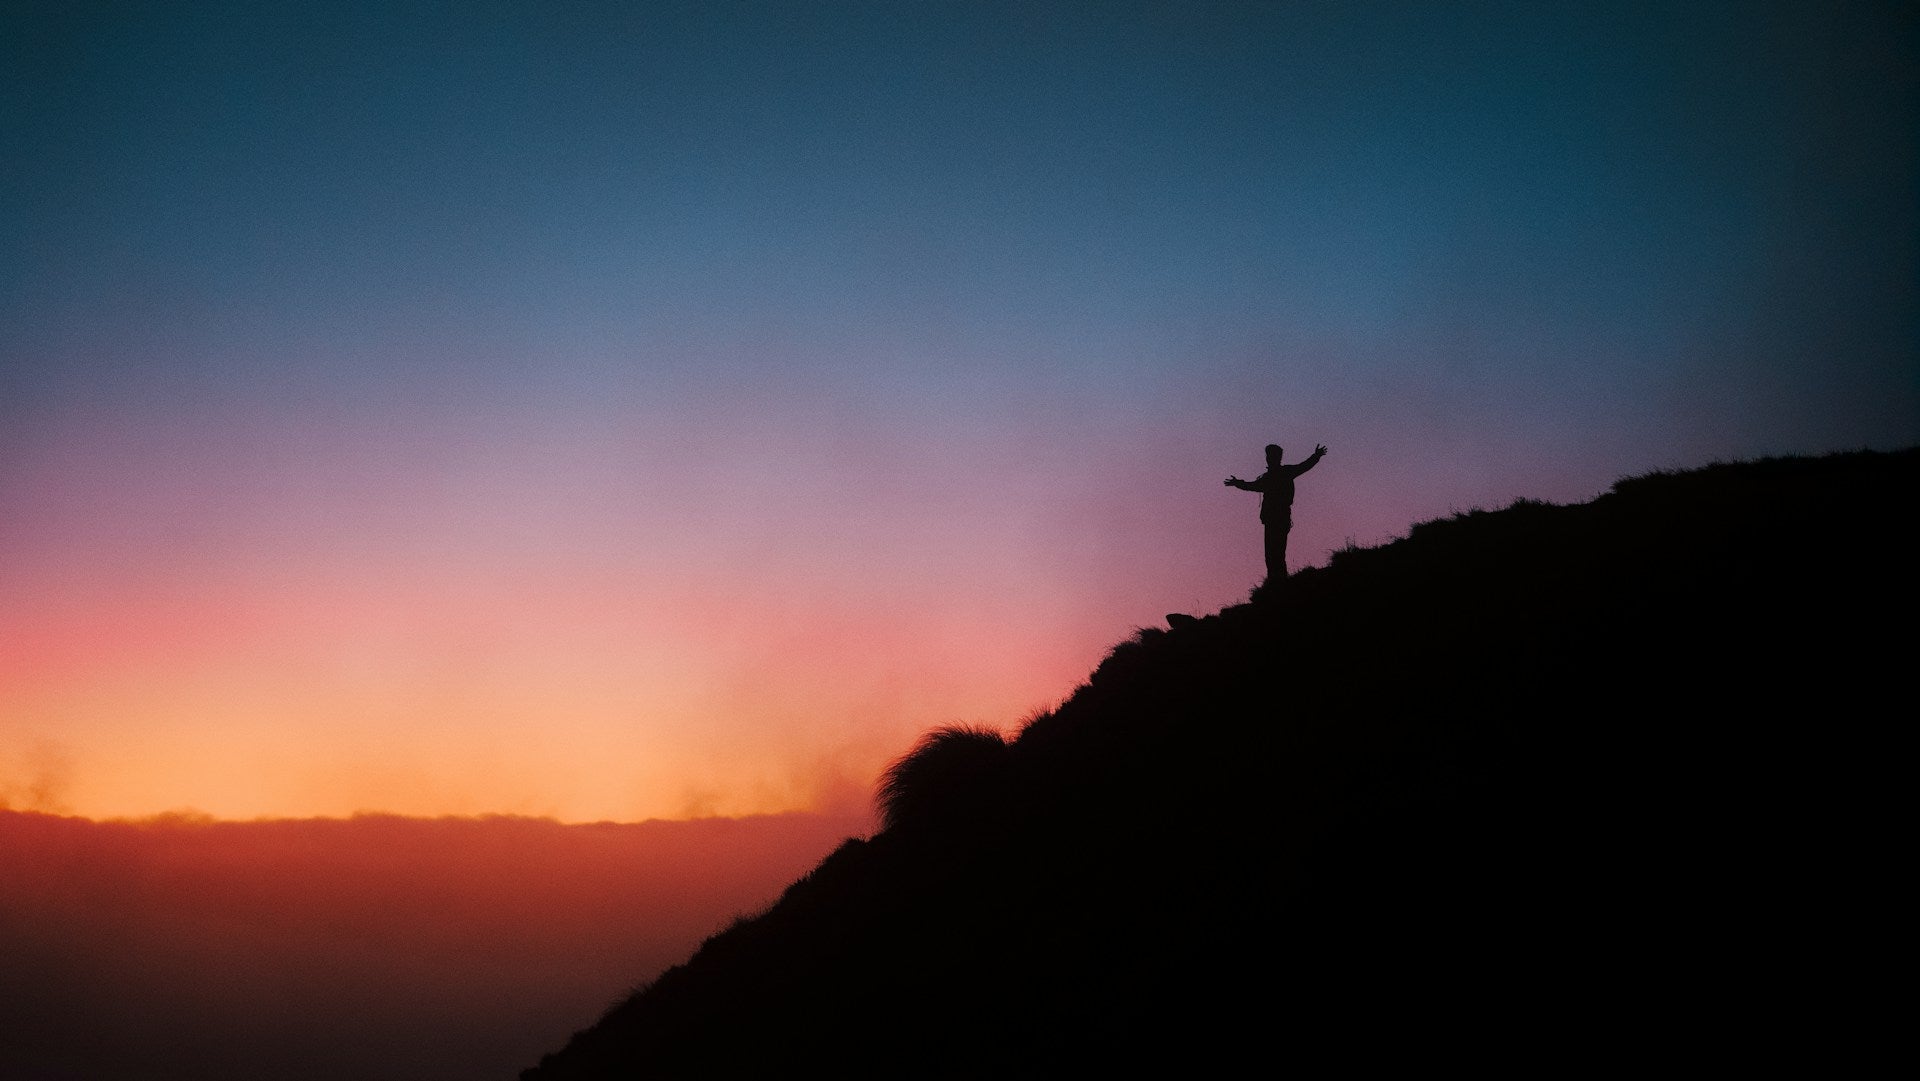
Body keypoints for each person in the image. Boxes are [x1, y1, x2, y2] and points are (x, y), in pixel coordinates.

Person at [1225, 443, 1327, 582]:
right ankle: (1276, 583)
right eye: (1268, 455)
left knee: (1275, 554)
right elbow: (1254, 486)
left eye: (1271, 455)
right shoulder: (1274, 475)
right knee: (1272, 554)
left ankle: (1278, 585)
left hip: (1278, 518)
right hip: (1274, 519)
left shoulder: (1281, 473)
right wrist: (1238, 483)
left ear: (1276, 457)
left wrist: (1316, 456)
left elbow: (1304, 466)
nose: (1269, 458)